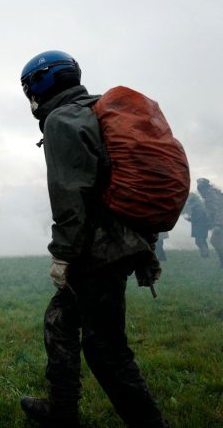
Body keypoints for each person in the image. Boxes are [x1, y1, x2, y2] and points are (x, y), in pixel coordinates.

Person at [18, 50, 168, 427]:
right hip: (116, 243)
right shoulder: (97, 110)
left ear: (41, 82)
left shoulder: (61, 119)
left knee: (106, 350)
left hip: (96, 249)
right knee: (60, 321)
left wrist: (63, 254)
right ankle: (61, 410)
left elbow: (72, 194)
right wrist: (144, 247)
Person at [196, 178, 223, 266]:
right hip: (219, 223)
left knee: (215, 241)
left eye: (200, 190)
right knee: (217, 242)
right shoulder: (211, 194)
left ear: (204, 189)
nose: (200, 193)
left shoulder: (212, 195)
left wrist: (218, 224)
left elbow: (219, 210)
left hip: (220, 224)